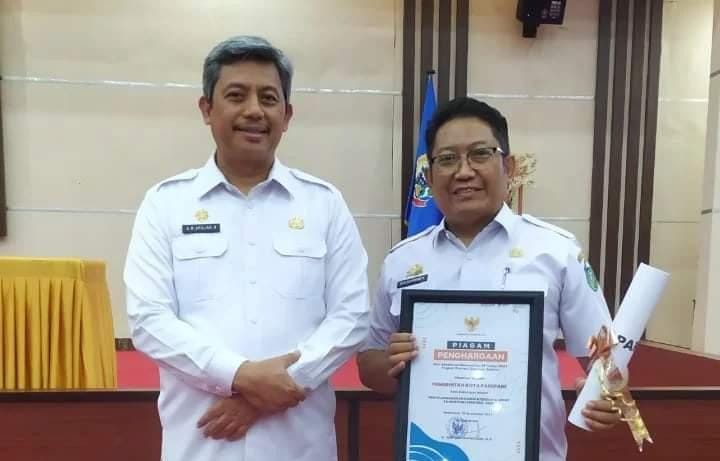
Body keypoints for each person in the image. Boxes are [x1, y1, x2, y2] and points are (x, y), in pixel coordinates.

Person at [124, 35, 369, 461]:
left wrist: (276, 388)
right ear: (207, 109)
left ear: (286, 115)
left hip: (299, 448)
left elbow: (352, 316)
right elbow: (148, 320)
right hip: (202, 448)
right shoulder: (165, 203)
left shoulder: (324, 204)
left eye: (269, 98)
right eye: (236, 95)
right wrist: (238, 375)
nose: (254, 110)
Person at [357, 97, 621, 460]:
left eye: (480, 154)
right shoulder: (402, 261)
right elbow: (369, 365)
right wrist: (390, 363)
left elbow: (605, 359)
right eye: (447, 159)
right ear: (429, 177)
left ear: (508, 166)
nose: (463, 171)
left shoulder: (557, 253)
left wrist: (605, 393)